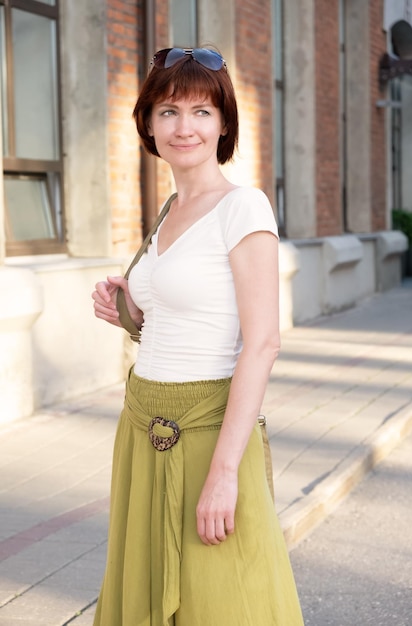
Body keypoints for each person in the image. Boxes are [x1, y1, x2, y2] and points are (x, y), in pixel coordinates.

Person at [92, 46, 304, 626]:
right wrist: (129, 309)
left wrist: (223, 473)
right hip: (141, 422)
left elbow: (261, 343)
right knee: (144, 586)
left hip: (208, 428)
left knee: (222, 597)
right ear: (148, 125)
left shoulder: (243, 207)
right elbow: (182, 319)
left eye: (201, 112)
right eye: (167, 111)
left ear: (224, 123)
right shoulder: (169, 209)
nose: (184, 127)